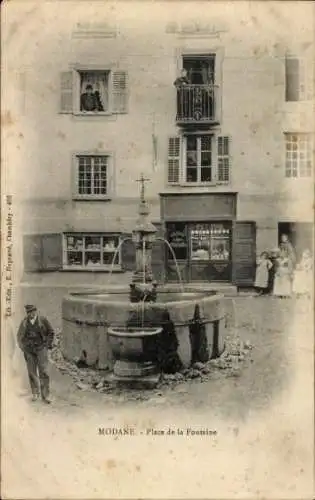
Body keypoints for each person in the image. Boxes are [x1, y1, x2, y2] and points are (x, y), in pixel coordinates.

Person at [17, 305, 55, 403]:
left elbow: (51, 332)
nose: (31, 313)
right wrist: (23, 348)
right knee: (31, 371)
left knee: (44, 371)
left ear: (36, 311)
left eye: (33, 311)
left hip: (41, 348)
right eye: (29, 312)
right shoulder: (24, 322)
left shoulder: (42, 320)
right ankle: (35, 393)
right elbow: (19, 336)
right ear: (27, 313)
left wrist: (47, 345)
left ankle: (46, 395)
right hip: (29, 350)